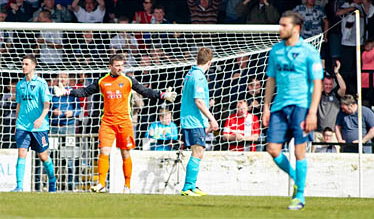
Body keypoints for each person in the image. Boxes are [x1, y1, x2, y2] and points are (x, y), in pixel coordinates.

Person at [53, 54, 177, 193]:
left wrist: (162, 95)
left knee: (125, 154)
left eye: (122, 65)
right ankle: (101, 183)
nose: (120, 68)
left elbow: (145, 91)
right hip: (107, 122)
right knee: (104, 151)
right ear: (110, 66)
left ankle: (127, 185)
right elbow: (85, 91)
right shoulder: (102, 81)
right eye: (117, 66)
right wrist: (66, 92)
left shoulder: (128, 80)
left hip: (124, 122)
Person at [262, 11, 323, 210]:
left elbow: (317, 83)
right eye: (280, 25)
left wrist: (312, 112)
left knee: (299, 152)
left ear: (296, 28)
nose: (280, 29)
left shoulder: (309, 52)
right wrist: (266, 108)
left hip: (301, 107)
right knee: (272, 149)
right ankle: (297, 179)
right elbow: (270, 79)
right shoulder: (275, 51)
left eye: (284, 25)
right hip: (279, 107)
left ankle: (300, 196)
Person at [11, 54, 56, 192]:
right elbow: (19, 105)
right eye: (22, 64)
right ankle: (19, 186)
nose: (23, 67)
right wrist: (16, 123)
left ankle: (52, 182)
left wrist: (41, 118)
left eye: (26, 64)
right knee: (21, 152)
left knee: (43, 156)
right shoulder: (20, 84)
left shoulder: (41, 83)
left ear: (33, 66)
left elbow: (47, 105)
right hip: (22, 125)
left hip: (39, 127)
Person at [180, 47, 219, 196]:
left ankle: (192, 186)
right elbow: (198, 101)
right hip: (193, 121)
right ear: (209, 63)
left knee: (199, 152)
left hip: (192, 120)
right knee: (198, 152)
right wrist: (212, 118)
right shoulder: (199, 77)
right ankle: (187, 188)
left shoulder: (190, 73)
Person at [314, 60, 345, 148]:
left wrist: (337, 73)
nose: (328, 86)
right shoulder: (318, 94)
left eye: (330, 84)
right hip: (318, 133)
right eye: (326, 84)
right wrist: (322, 70)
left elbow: (343, 88)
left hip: (333, 133)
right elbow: (317, 86)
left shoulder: (335, 94)